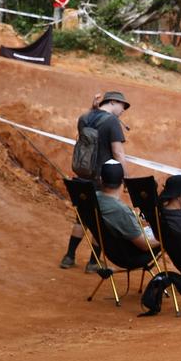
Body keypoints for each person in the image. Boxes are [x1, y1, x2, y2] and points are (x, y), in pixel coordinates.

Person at [60, 91, 130, 271]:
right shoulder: (112, 122)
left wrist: (92, 108)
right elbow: (118, 152)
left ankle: (69, 257)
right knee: (101, 220)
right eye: (123, 106)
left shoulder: (85, 117)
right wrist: (125, 176)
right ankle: (93, 262)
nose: (123, 110)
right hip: (103, 178)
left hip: (83, 175)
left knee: (81, 218)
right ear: (113, 101)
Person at [94, 160, 159, 267]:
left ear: (101, 180)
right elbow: (144, 245)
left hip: (111, 252)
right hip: (130, 257)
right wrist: (166, 238)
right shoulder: (121, 210)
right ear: (123, 182)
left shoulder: (93, 198)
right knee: (174, 237)